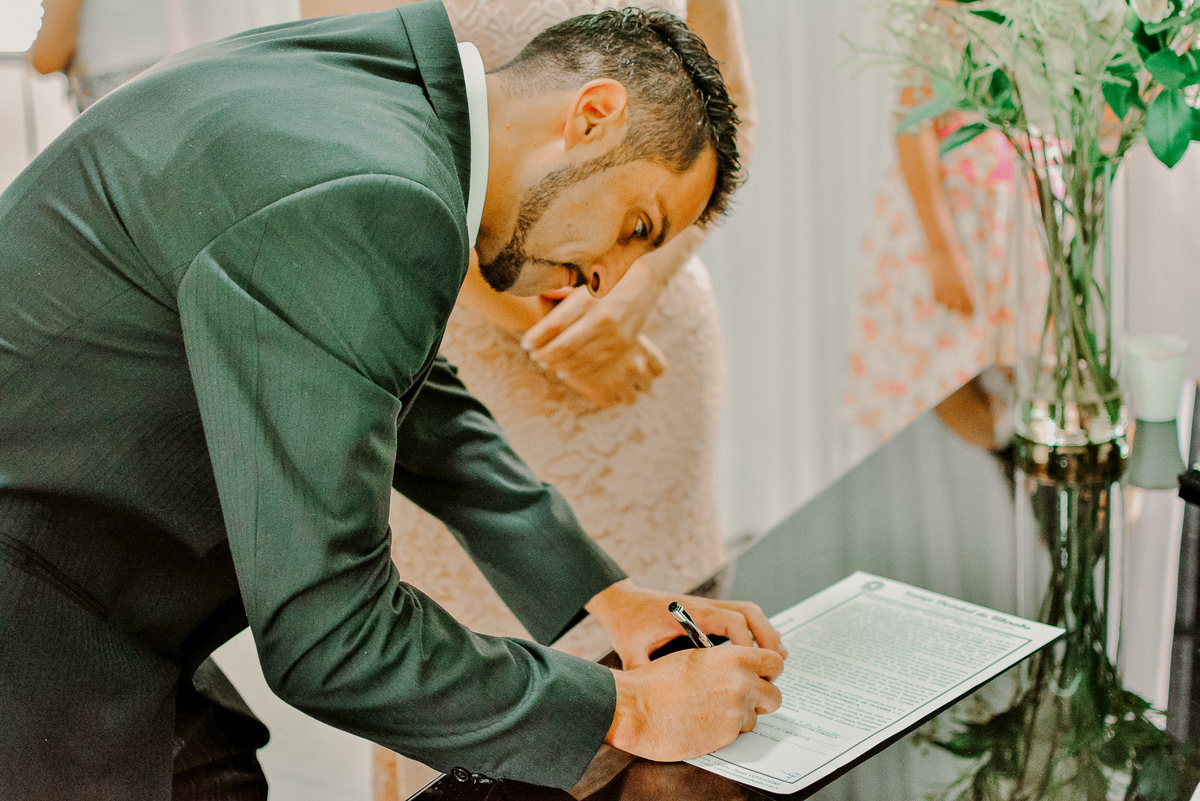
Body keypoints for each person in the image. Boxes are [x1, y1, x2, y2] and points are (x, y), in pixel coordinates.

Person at [0, 4, 785, 799]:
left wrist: (607, 598)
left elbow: (403, 389)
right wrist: (629, 707)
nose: (606, 280)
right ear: (592, 116)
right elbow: (329, 637)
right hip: (34, 599)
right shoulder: (377, 187)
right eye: (635, 224)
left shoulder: (388, 92)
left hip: (78, 566)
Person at [298, 2, 758, 795]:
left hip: (653, 357)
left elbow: (729, 110)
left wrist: (636, 285)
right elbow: (367, 132)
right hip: (461, 346)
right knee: (484, 741)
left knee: (680, 734)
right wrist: (545, 317)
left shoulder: (628, 270)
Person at [843, 65, 1033, 450]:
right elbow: (912, 123)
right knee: (943, 381)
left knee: (1015, 387)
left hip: (1006, 217)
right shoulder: (950, 13)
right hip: (955, 222)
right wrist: (943, 251)